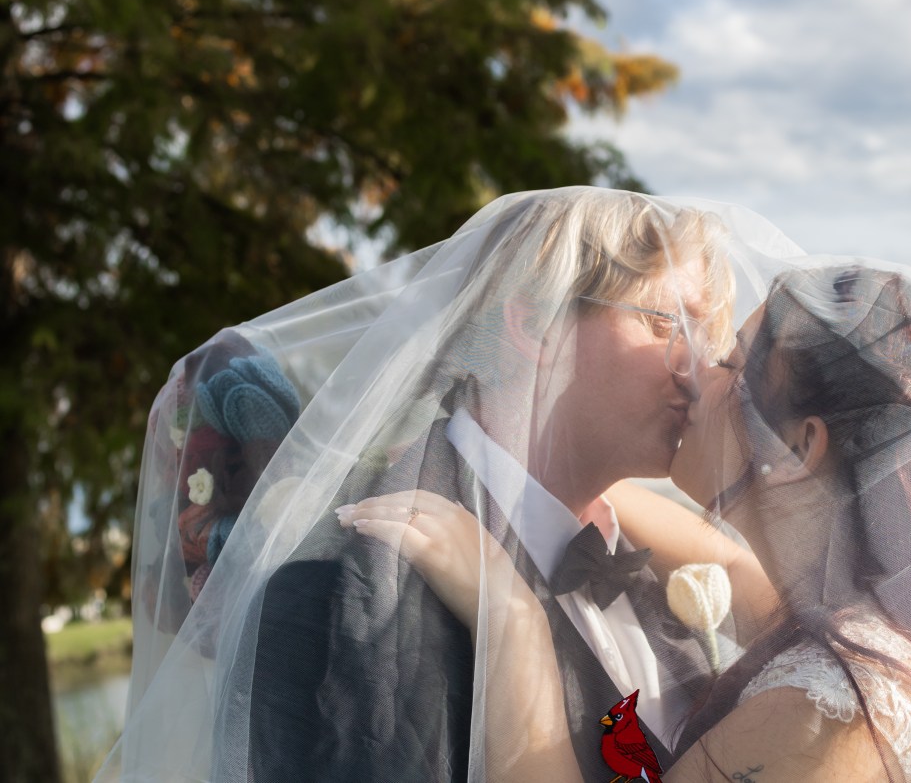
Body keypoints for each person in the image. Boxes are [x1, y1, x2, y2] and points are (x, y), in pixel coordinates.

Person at [103, 188, 791, 782]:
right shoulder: (339, 589)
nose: (700, 368)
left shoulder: (650, 564)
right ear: (534, 324)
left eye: (707, 334)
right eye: (667, 322)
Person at [345, 261, 911, 781]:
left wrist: (513, 627)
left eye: (732, 366)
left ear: (799, 447)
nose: (693, 372)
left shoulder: (825, 712)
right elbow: (731, 566)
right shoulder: (877, 625)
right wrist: (530, 467)